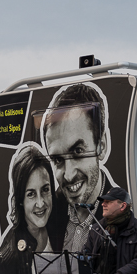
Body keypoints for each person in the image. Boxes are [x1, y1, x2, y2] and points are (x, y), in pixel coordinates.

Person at [41, 83, 115, 255]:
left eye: (78, 152)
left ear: (101, 146)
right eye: (58, 159)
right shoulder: (48, 213)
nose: (68, 175)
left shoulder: (121, 213)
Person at [0, 143, 60, 274]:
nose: (40, 203)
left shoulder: (61, 224)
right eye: (31, 194)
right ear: (20, 201)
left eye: (45, 190)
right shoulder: (6, 257)